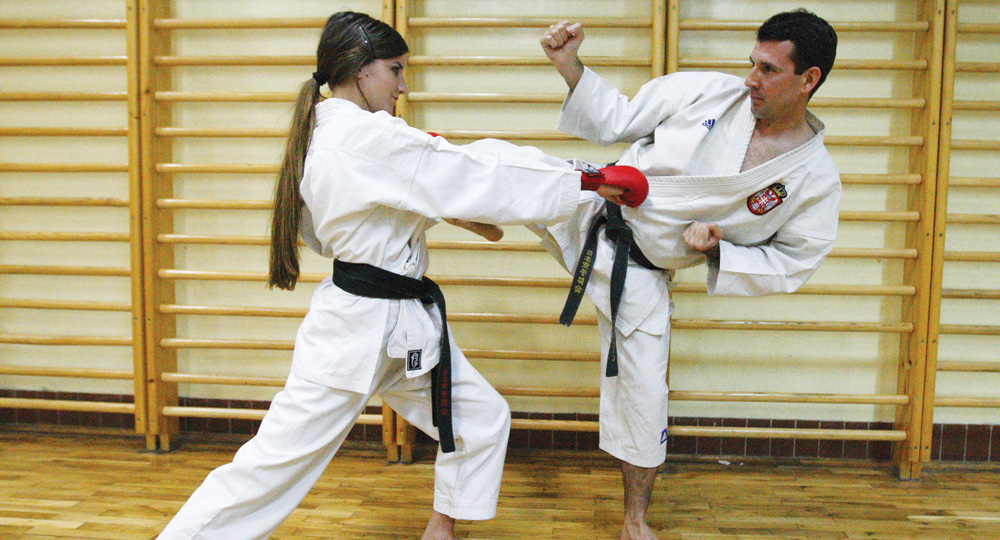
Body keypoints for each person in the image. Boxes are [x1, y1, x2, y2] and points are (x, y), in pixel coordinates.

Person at [155, 11, 647, 540]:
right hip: (357, 330)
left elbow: (378, 209)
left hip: (403, 323)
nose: (403, 85)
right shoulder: (364, 138)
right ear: (361, 70)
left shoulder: (336, 134)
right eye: (395, 70)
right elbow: (475, 171)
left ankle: (441, 530)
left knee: (480, 420)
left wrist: (433, 206)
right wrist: (585, 180)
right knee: (270, 469)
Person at [535, 9, 840, 540]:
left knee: (646, 396)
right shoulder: (707, 92)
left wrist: (722, 252)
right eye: (752, 63)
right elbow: (617, 119)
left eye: (769, 70)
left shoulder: (813, 177)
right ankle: (438, 200)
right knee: (512, 170)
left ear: (808, 79)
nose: (751, 79)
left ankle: (634, 522)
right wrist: (569, 65)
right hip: (594, 205)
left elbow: (795, 259)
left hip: (642, 270)